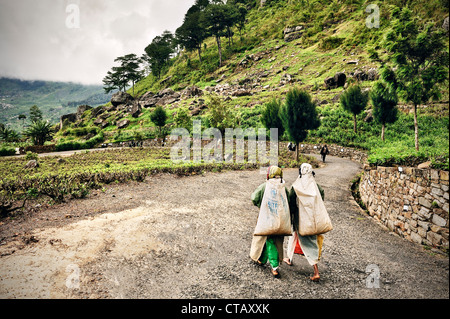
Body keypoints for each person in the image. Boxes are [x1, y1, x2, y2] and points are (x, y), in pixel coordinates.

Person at [283, 163, 326, 282]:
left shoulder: (296, 186)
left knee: (308, 243)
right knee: (296, 238)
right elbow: (321, 199)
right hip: (312, 219)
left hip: (299, 219)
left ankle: (316, 271)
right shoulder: (317, 187)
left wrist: (291, 216)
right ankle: (289, 258)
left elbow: (291, 201)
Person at [250, 166, 292, 279]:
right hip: (280, 220)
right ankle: (262, 260)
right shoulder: (283, 187)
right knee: (273, 239)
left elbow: (254, 198)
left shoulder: (265, 186)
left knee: (269, 239)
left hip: (267, 218)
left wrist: (261, 206)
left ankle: (274, 267)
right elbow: (289, 201)